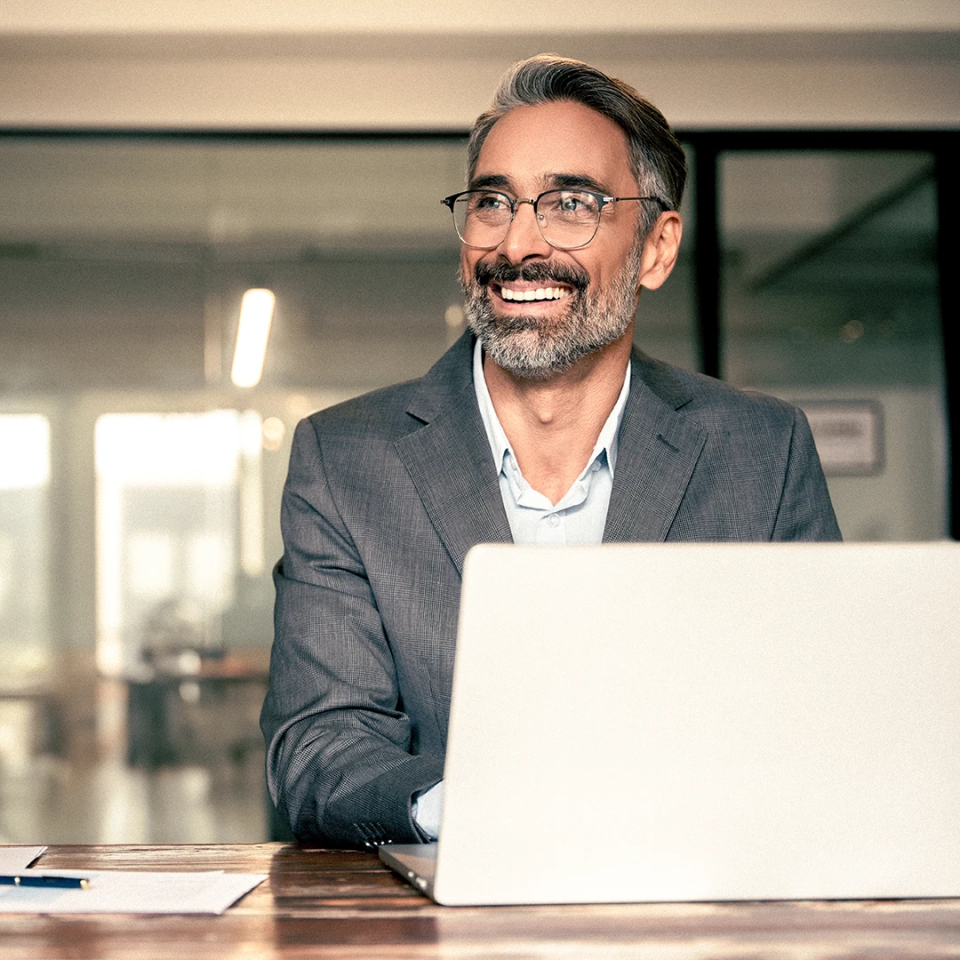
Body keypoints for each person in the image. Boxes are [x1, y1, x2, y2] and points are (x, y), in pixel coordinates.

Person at [260, 54, 841, 848]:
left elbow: (819, 723)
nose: (518, 242)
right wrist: (480, 817)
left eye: (571, 203)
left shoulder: (760, 451)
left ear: (656, 249)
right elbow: (318, 746)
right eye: (492, 201)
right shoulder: (345, 459)